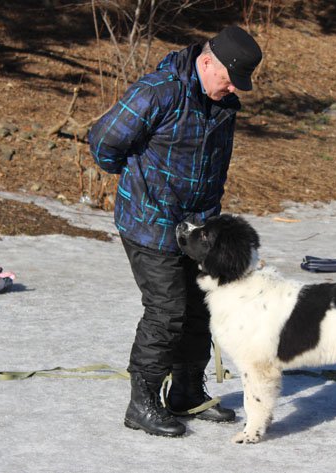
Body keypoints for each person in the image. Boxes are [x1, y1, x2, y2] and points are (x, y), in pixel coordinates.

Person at [87, 26, 262, 437]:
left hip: (198, 227)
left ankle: (185, 393)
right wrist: (138, 184)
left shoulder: (222, 102)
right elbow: (103, 141)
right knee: (167, 312)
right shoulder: (159, 90)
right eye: (229, 79)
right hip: (149, 223)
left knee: (201, 309)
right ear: (207, 62)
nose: (232, 89)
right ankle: (142, 402)